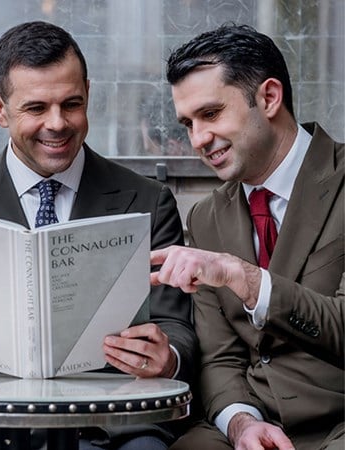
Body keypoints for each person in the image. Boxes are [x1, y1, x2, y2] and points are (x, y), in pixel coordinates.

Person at [0, 21, 197, 450]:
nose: (57, 124)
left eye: (71, 104)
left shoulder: (148, 202)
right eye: (36, 108)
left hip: (111, 425)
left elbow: (176, 325)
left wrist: (168, 357)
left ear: (89, 95)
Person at [151, 24, 343, 450]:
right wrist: (241, 422)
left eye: (211, 114)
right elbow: (219, 356)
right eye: (188, 123)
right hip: (252, 423)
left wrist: (246, 278)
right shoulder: (206, 219)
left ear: (269, 98)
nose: (198, 139)